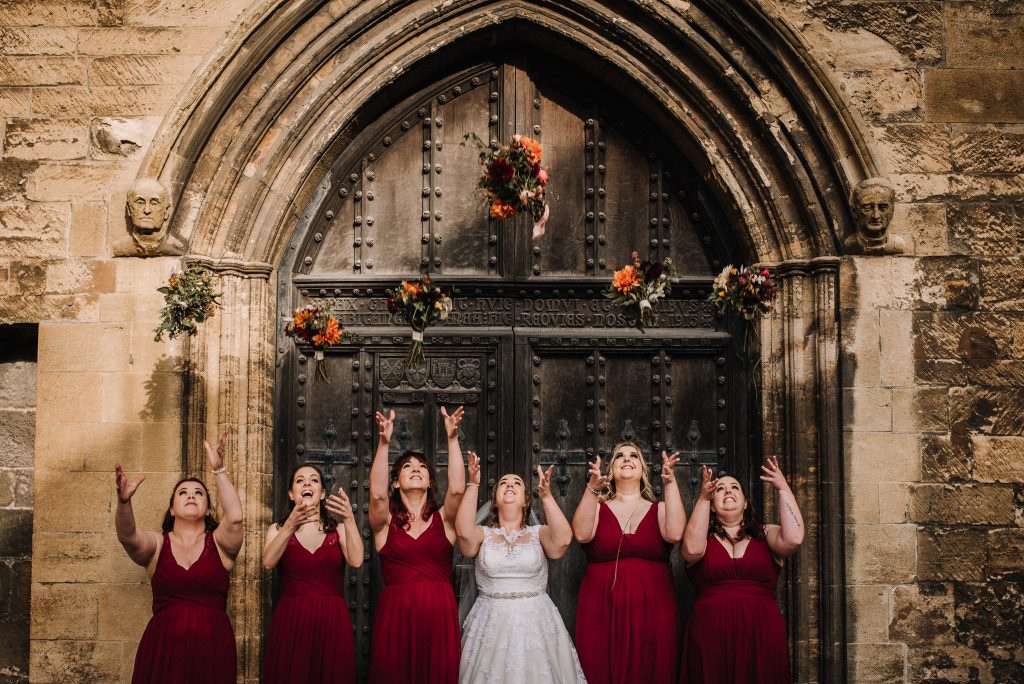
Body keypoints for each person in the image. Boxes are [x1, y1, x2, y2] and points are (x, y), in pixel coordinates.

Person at [114, 431, 243, 684]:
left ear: (208, 509)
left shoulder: (219, 544)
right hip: (163, 649)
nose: (192, 495)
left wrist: (219, 471)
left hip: (212, 650)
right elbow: (128, 536)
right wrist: (124, 502)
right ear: (172, 508)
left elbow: (236, 517)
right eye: (183, 493)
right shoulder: (157, 544)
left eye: (199, 493)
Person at [456, 453, 586, 683]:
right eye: (503, 483)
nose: (510, 485)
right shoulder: (483, 535)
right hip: (490, 621)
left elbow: (563, 541)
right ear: (495, 500)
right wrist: (473, 483)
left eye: (517, 483)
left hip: (536, 621)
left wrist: (546, 496)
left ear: (526, 501)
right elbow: (464, 533)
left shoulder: (538, 533)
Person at [679, 457, 805, 683]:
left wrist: (783, 488)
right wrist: (703, 498)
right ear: (713, 503)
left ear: (745, 502)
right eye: (720, 489)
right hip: (710, 633)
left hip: (761, 632)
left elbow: (794, 538)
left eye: (734, 487)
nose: (728, 491)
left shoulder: (766, 533)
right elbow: (691, 550)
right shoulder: (703, 539)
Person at [367, 406, 467, 684]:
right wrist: (384, 442)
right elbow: (376, 495)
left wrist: (452, 438)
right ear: (396, 482)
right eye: (407, 467)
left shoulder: (444, 520)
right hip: (396, 616)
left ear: (430, 482)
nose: (416, 469)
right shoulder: (385, 524)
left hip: (438, 616)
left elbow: (458, 489)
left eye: (422, 467)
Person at [571, 442, 684, 684]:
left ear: (642, 469)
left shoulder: (660, 508)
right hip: (601, 607)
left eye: (634, 456)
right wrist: (592, 488)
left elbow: (675, 534)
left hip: (654, 607)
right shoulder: (599, 509)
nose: (626, 459)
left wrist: (670, 482)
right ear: (611, 470)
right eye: (619, 456)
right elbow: (581, 534)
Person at [261, 464, 364, 683]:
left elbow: (356, 560)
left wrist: (349, 519)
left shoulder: (338, 530)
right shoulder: (277, 530)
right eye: (300, 480)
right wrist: (290, 524)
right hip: (292, 621)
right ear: (291, 493)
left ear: (323, 493)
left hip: (332, 621)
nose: (307, 483)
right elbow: (268, 562)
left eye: (314, 480)